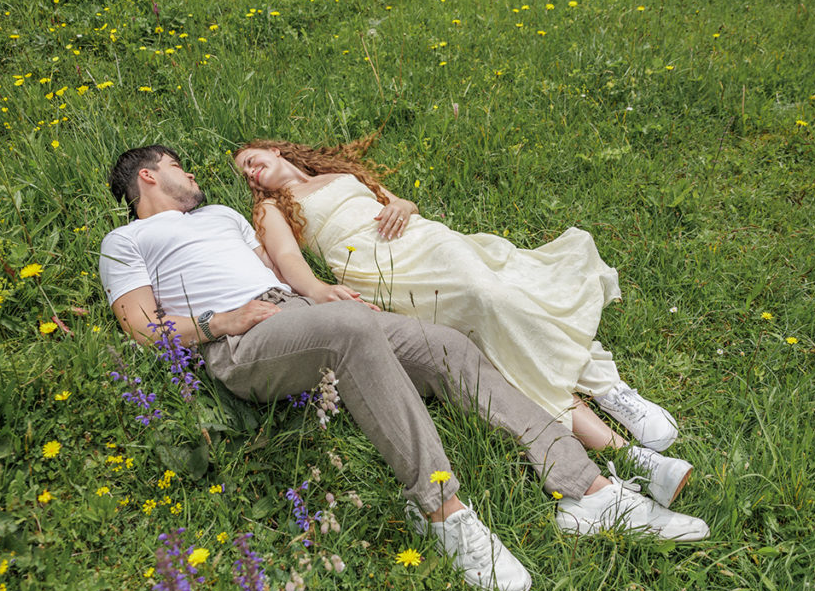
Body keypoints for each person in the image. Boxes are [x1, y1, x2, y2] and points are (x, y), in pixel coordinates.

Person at [99, 145, 710, 591]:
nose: (196, 174)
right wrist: (223, 321)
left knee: (447, 346)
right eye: (183, 166)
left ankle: (590, 493)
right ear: (148, 175)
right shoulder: (123, 243)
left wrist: (323, 292)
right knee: (352, 333)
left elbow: (285, 270)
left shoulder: (228, 219)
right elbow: (142, 327)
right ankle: (445, 513)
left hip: (301, 315)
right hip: (242, 341)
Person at [233, 137, 693, 508]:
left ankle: (609, 396)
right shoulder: (272, 208)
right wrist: (317, 291)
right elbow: (288, 258)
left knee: (494, 295)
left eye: (253, 160)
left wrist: (403, 206)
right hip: (376, 272)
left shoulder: (340, 173)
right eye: (246, 174)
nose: (253, 173)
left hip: (422, 242)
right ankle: (621, 444)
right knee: (487, 317)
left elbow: (401, 203)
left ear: (276, 150)